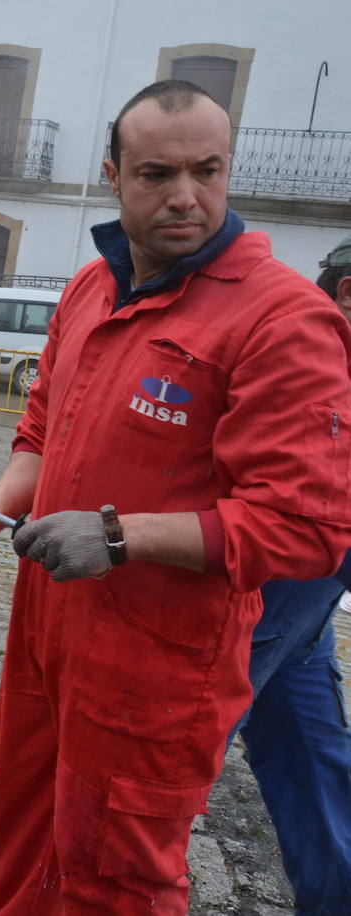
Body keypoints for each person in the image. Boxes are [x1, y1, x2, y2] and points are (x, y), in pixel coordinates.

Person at [0, 80, 351, 915]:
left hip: (155, 667)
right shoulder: (91, 290)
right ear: (115, 176)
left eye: (207, 170)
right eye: (157, 173)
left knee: (113, 879)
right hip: (49, 634)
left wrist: (120, 538)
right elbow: (44, 425)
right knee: (22, 846)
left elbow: (306, 527)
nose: (185, 196)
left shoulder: (280, 320)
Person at [232, 232, 351, 914]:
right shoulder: (295, 356)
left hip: (301, 631)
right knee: (149, 801)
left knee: (321, 792)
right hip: (235, 622)